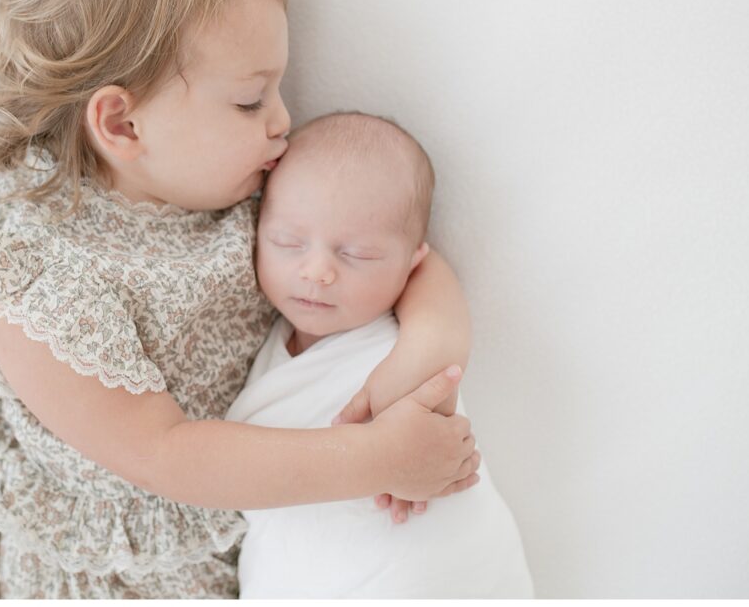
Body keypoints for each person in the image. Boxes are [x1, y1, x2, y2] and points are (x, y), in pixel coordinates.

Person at [0, 0, 479, 599]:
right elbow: (165, 452)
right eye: (250, 100)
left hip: (245, 550)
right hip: (107, 575)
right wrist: (374, 458)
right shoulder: (38, 273)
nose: (283, 119)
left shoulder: (247, 189)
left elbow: (394, 247)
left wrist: (432, 347)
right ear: (121, 122)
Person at [225, 112, 534, 598]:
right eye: (287, 242)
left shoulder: (402, 347)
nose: (317, 271)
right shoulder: (259, 343)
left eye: (358, 255)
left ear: (412, 264)